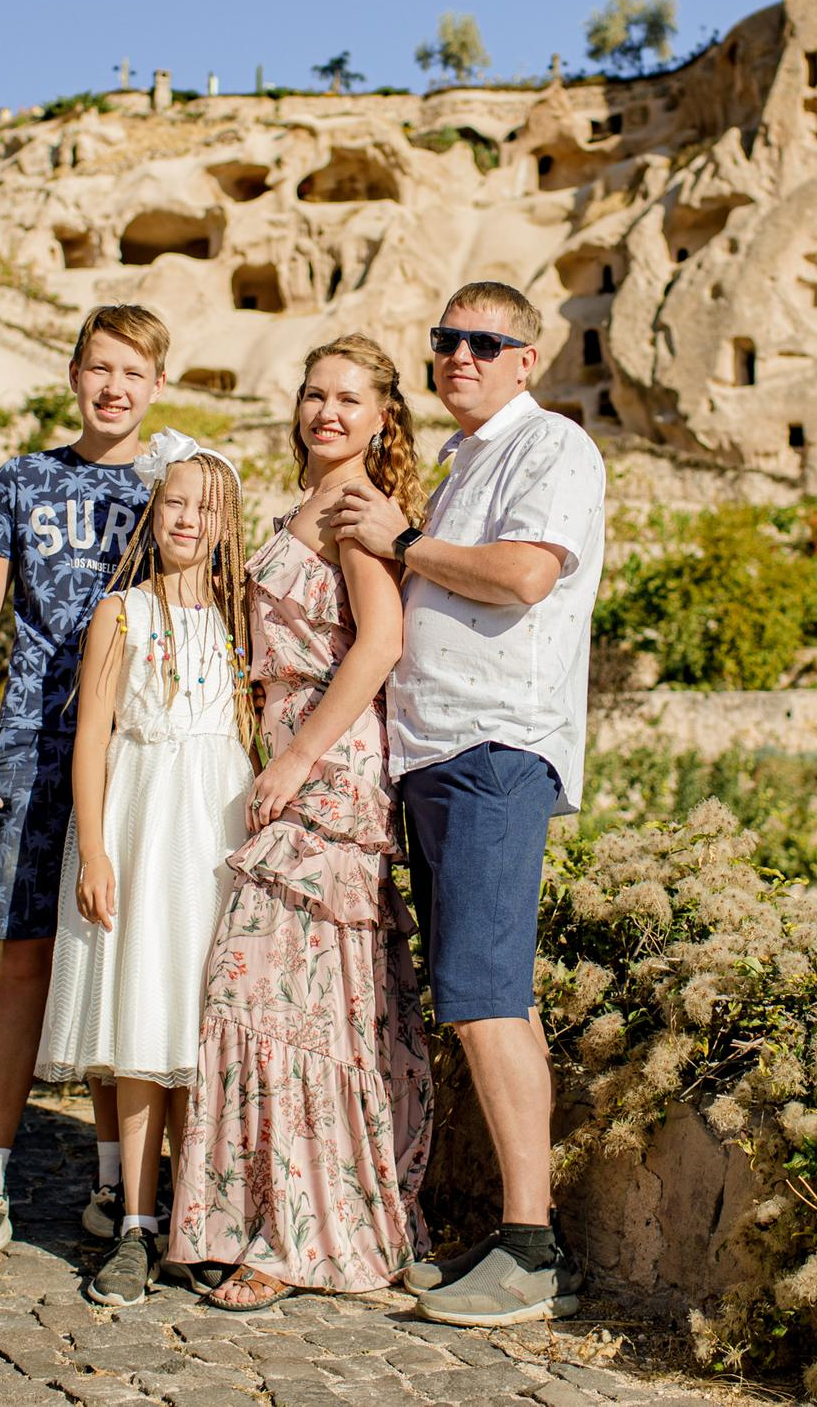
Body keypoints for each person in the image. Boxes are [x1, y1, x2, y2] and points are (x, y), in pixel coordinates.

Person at [321, 282, 605, 1328]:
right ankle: (513, 1237)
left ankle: (532, 1250)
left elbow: (524, 574)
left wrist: (404, 541)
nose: (461, 356)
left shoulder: (552, 446)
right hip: (436, 755)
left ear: (527, 359)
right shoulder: (462, 462)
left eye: (486, 342)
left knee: (487, 1000)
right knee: (479, 997)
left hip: (494, 747)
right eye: (446, 340)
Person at [167, 334, 436, 1311]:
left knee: (270, 991)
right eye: (315, 394)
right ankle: (268, 1221)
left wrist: (294, 760)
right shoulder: (305, 505)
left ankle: (293, 1236)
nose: (327, 411)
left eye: (349, 399)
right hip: (288, 753)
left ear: (381, 417)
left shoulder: (357, 510)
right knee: (295, 996)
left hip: (329, 766)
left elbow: (380, 644)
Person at [0, 305, 168, 1279]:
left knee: (119, 955)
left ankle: (116, 1182)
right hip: (36, 737)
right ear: (73, 375)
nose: (115, 387)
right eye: (100, 368)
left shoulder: (168, 486)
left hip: (136, 751)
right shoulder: (23, 479)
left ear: (157, 385)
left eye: (134, 372)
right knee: (23, 960)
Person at [38, 433, 257, 1306]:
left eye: (206, 508)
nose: (188, 520)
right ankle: (134, 1219)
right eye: (175, 503)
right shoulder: (120, 613)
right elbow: (91, 735)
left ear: (226, 524)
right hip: (139, 820)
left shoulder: (240, 622)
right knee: (140, 1018)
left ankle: (193, 1220)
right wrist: (94, 848)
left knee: (196, 1029)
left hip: (212, 833)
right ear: (153, 511)